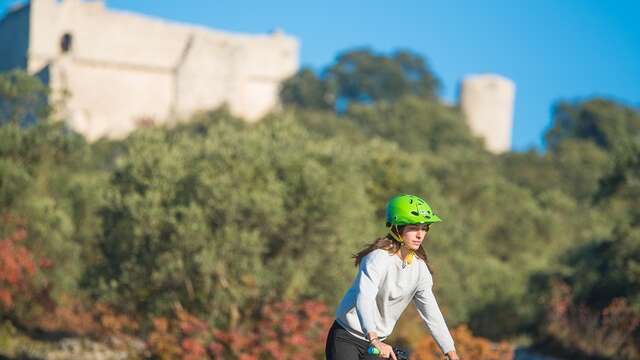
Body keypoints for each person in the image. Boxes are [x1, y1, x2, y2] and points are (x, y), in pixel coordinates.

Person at [325, 194, 459, 360]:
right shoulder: (378, 258)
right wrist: (373, 339)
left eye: (424, 228)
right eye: (413, 228)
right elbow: (364, 298)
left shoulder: (419, 269)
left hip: (376, 345)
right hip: (346, 337)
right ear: (397, 228)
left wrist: (451, 353)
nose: (420, 234)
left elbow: (432, 314)